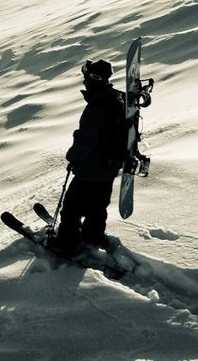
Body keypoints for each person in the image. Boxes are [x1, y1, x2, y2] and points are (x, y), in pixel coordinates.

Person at [49, 58, 128, 256]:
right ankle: (92, 236)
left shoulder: (97, 107)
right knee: (98, 206)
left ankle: (66, 244)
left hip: (92, 168)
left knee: (72, 207)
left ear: (93, 79)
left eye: (86, 77)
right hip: (110, 167)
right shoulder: (116, 99)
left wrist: (72, 157)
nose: (84, 81)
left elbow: (86, 140)